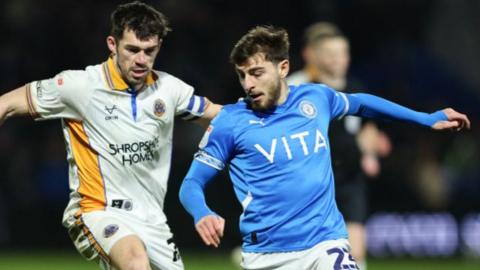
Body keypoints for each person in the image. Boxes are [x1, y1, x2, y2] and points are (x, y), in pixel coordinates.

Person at [178, 25, 470, 269]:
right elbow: (191, 183)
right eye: (242, 75)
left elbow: (362, 103)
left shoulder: (315, 98)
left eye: (256, 72)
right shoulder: (230, 122)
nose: (248, 83)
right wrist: (202, 212)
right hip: (267, 256)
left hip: (325, 242)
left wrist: (424, 118)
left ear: (283, 67)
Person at [0, 1, 221, 270]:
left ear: (159, 47)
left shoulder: (169, 89)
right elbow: (7, 104)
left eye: (149, 51)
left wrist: (277, 113)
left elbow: (219, 116)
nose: (141, 60)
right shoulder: (79, 86)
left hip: (152, 220)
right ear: (112, 44)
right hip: (96, 211)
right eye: (132, 49)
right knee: (135, 263)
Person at [287, 22, 390, 269]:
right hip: (313, 178)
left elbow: (367, 126)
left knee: (355, 251)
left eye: (343, 54)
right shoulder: (300, 89)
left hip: (349, 176)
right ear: (315, 56)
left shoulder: (355, 89)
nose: (338, 60)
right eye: (332, 54)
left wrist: (371, 151)